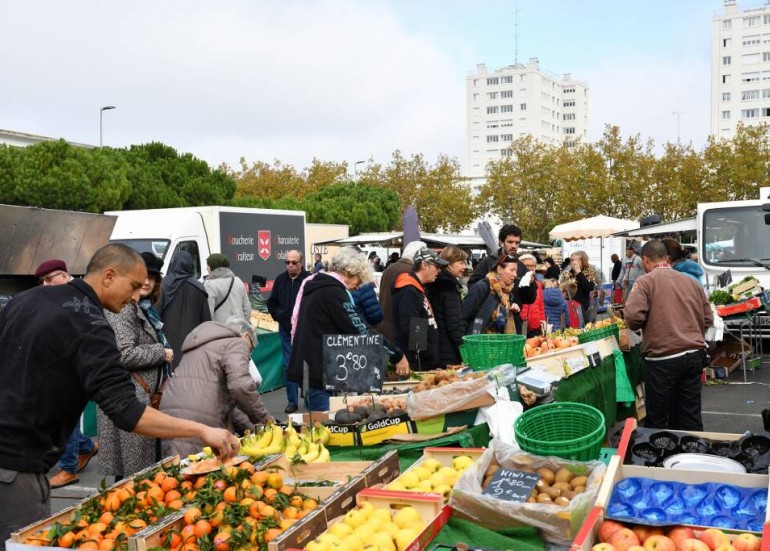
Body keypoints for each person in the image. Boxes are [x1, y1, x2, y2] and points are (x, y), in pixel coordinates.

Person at [0, 244, 240, 548]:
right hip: (16, 469)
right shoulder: (91, 325)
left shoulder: (26, 300)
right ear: (109, 275)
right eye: (135, 285)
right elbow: (128, 411)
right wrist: (202, 430)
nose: (138, 295)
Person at [287, 248, 409, 411]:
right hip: (320, 372)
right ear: (347, 272)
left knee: (319, 420)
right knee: (327, 424)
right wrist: (396, 355)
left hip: (312, 368)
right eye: (359, 279)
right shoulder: (333, 291)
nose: (358, 285)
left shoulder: (315, 284)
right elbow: (360, 329)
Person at [97, 251, 174, 479]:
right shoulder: (124, 308)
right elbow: (123, 353)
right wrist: (161, 352)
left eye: (153, 277)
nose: (148, 281)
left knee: (139, 475)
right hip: (131, 398)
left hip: (141, 397)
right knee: (133, 480)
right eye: (143, 276)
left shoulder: (143, 307)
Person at [624, 240, 713, 431]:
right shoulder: (691, 281)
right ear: (666, 258)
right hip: (694, 355)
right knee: (691, 415)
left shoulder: (645, 282)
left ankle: (658, 459)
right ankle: (693, 454)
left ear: (646, 259)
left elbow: (632, 318)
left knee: (657, 418)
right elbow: (708, 319)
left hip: (663, 358)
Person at [160, 317, 272, 457]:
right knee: (205, 473)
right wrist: (267, 422)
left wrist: (252, 429)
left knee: (179, 471)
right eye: (251, 348)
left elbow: (227, 405)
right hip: (200, 419)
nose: (248, 355)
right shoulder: (236, 343)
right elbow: (240, 386)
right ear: (246, 336)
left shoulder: (201, 344)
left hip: (169, 416)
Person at [34, 260, 99, 490]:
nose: (46, 285)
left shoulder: (79, 297)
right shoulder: (62, 294)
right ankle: (85, 447)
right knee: (62, 415)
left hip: (74, 364)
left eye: (49, 280)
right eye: (43, 281)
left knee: (64, 414)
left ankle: (69, 468)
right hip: (59, 363)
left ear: (63, 275)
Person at [468, 224, 536, 332]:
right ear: (501, 242)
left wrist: (531, 284)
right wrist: (494, 302)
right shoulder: (488, 262)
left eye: (517, 242)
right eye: (510, 242)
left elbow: (529, 299)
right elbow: (473, 287)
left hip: (512, 322)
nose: (514, 245)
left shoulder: (521, 267)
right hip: (487, 324)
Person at [267, 249, 310, 414]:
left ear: (300, 263)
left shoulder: (308, 279)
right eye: (287, 262)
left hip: (305, 330)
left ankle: (307, 397)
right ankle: (292, 401)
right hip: (286, 329)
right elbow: (272, 302)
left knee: (307, 364)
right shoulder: (280, 279)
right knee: (288, 365)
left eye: (294, 262)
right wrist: (279, 316)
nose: (290, 265)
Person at [392, 248, 447, 370]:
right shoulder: (409, 290)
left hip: (421, 360)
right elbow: (412, 331)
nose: (439, 271)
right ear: (424, 265)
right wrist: (430, 357)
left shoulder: (417, 289)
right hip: (416, 362)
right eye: (437, 266)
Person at [159, 251, 211, 369]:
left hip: (167, 344)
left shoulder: (163, 285)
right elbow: (206, 321)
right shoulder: (199, 287)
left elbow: (155, 315)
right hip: (192, 344)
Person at [462, 254, 533, 334]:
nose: (515, 274)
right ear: (499, 269)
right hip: (479, 341)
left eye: (516, 271)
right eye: (512, 270)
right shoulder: (482, 287)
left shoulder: (507, 292)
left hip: (499, 343)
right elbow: (463, 316)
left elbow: (506, 324)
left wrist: (514, 313)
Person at [425, 245, 468, 367]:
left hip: (436, 346)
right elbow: (454, 324)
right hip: (447, 350)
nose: (464, 267)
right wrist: (464, 351)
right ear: (449, 264)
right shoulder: (449, 287)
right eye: (461, 263)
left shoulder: (434, 283)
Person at [378, 240, 426, 341]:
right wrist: (420, 341)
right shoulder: (411, 272)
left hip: (386, 328)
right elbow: (412, 310)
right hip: (400, 333)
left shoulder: (390, 268)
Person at [203, 253, 251, 324]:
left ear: (213, 267)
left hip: (221, 332)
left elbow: (208, 314)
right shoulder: (238, 280)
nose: (206, 268)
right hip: (239, 331)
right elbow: (247, 309)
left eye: (208, 265)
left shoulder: (209, 285)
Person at [559, 251, 597, 321]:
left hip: (583, 307)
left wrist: (579, 273)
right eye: (572, 260)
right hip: (568, 307)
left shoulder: (590, 271)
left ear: (583, 261)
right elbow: (561, 288)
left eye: (576, 260)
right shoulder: (567, 273)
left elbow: (588, 288)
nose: (573, 262)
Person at [518, 254, 545, 337]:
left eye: (532, 266)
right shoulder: (516, 283)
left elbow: (540, 304)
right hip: (520, 324)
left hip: (534, 325)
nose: (530, 268)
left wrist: (542, 321)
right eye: (527, 265)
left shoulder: (538, 284)